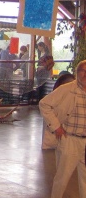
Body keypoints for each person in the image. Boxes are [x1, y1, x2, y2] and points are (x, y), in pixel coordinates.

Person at [39, 60, 86, 198]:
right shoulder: (67, 89)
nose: (85, 74)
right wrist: (56, 127)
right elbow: (44, 104)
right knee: (62, 178)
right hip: (70, 140)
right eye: (82, 71)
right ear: (77, 73)